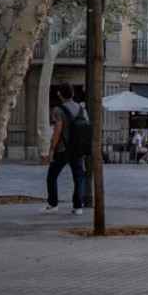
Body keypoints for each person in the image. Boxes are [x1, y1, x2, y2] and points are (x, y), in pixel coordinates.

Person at [44, 86, 87, 215]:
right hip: (78, 149)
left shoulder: (58, 110)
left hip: (63, 148)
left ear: (59, 94)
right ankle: (78, 207)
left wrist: (52, 148)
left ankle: (53, 204)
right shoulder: (81, 109)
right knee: (79, 177)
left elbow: (58, 129)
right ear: (73, 93)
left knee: (52, 176)